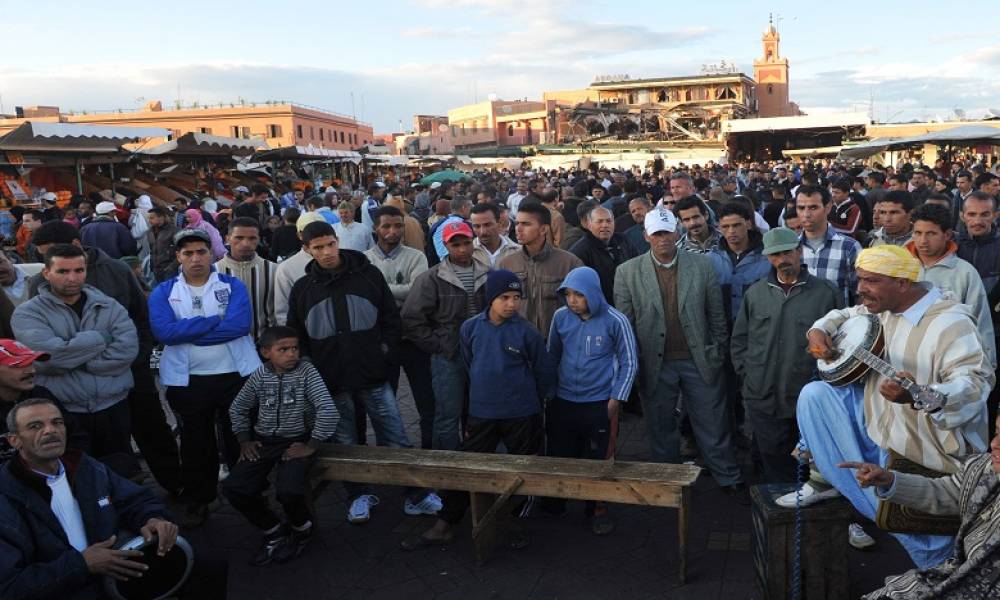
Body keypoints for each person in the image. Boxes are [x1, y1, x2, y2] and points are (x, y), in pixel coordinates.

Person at [783, 245, 993, 565]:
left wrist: (920, 395)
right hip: (882, 435)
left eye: (870, 281)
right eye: (859, 279)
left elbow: (974, 385)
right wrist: (818, 330)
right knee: (816, 395)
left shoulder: (952, 323)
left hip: (930, 454)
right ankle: (837, 481)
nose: (860, 289)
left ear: (903, 284)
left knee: (933, 546)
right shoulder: (880, 309)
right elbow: (844, 315)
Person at [286, 221, 438, 523]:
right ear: (307, 250)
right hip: (333, 380)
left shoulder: (368, 275)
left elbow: (391, 320)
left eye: (330, 244)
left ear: (337, 241)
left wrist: (384, 353)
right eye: (318, 247)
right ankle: (358, 493)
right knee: (346, 442)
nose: (327, 252)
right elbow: (297, 334)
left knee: (395, 434)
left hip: (373, 374)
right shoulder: (303, 289)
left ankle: (414, 493)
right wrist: (313, 368)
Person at [0, 398, 225, 599]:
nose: (50, 431)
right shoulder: (6, 494)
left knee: (210, 564)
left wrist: (153, 518)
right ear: (14, 440)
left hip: (115, 568)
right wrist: (82, 565)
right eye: (35, 426)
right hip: (65, 585)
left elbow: (135, 499)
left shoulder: (84, 466)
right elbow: (9, 587)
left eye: (57, 422)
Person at [400, 270, 555, 551]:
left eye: (516, 297)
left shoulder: (527, 332)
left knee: (522, 470)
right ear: (490, 299)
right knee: (467, 466)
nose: (511, 304)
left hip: (521, 413)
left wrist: (537, 404)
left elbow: (543, 371)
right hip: (482, 412)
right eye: (504, 297)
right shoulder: (470, 328)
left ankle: (514, 521)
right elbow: (471, 363)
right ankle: (446, 522)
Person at [28, 221, 182, 497]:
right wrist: (84, 357)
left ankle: (178, 489)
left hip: (131, 371)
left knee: (152, 431)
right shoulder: (39, 283)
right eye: (44, 257)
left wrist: (138, 355)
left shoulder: (116, 270)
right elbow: (49, 349)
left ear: (76, 245)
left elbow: (140, 316)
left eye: (49, 251)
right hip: (77, 386)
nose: (48, 260)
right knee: (98, 450)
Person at [614, 208, 746, 500]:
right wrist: (633, 364)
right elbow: (626, 322)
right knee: (660, 424)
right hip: (655, 362)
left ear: (677, 232)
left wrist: (716, 350)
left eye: (667, 232)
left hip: (698, 357)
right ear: (646, 235)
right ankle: (667, 478)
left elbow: (716, 316)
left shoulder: (701, 266)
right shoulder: (627, 272)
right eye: (656, 233)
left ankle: (726, 473)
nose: (663, 239)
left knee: (712, 420)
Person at [149, 228, 261, 527]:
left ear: (211, 253)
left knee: (239, 436)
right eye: (188, 253)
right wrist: (212, 322)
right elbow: (163, 333)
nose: (195, 258)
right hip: (188, 381)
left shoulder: (232, 285)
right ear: (178, 257)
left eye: (201, 251)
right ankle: (200, 497)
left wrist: (188, 331)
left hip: (234, 375)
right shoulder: (163, 292)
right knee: (196, 443)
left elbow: (239, 326)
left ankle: (249, 491)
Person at [12, 244, 138, 474]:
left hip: (113, 406)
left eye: (79, 270)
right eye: (63, 271)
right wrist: (101, 338)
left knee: (123, 473)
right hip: (65, 412)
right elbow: (52, 358)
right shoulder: (27, 313)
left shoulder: (109, 306)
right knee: (76, 476)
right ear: (46, 273)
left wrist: (77, 359)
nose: (72, 278)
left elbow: (127, 350)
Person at [730, 228, 842, 483]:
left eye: (787, 252)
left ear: (799, 251)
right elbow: (740, 340)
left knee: (812, 462)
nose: (782, 259)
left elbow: (841, 343)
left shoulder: (826, 293)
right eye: (775, 255)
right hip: (763, 393)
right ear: (768, 258)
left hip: (806, 394)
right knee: (773, 460)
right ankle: (781, 515)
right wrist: (748, 377)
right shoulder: (756, 294)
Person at [845, 417, 1000, 599]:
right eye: (997, 432)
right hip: (957, 578)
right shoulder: (984, 468)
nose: (994, 443)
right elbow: (952, 491)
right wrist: (890, 481)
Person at [223, 326, 338, 566]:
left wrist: (312, 444)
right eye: (283, 349)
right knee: (235, 487)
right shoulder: (259, 375)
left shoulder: (307, 372)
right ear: (266, 353)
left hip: (298, 441)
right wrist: (244, 440)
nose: (291, 354)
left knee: (288, 490)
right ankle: (273, 529)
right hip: (264, 441)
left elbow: (328, 410)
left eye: (295, 348)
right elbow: (238, 408)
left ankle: (301, 528)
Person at [545, 266, 637, 534]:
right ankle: (558, 500)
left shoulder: (615, 320)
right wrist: (550, 392)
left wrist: (615, 400)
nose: (573, 300)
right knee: (562, 452)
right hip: (564, 400)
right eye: (569, 294)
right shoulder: (560, 317)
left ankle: (597, 506)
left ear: (593, 293)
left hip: (599, 402)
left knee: (600, 456)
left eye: (579, 294)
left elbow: (629, 362)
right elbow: (552, 355)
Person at [402, 221, 488, 451]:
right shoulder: (432, 278)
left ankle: (477, 464)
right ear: (446, 246)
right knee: (447, 415)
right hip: (449, 355)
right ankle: (448, 474)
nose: (462, 249)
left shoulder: (487, 273)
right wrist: (438, 345)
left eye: (466, 243)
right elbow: (412, 318)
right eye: (456, 244)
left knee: (478, 413)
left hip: (481, 353)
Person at [364, 205, 435, 450]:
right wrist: (396, 292)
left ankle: (430, 451)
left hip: (415, 339)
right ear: (376, 229)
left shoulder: (417, 257)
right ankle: (389, 452)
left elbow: (419, 292)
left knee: (426, 400)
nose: (392, 231)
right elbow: (368, 297)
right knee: (385, 402)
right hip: (382, 341)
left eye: (397, 226)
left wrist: (382, 289)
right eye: (386, 226)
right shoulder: (365, 260)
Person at [907, 202, 996, 367]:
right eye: (917, 233)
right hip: (904, 355)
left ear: (947, 234)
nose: (923, 241)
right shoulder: (899, 267)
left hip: (949, 357)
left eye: (931, 233)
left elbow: (981, 321)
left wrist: (986, 368)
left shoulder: (964, 272)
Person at [498, 203, 582, 340]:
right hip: (519, 343)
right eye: (517, 223)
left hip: (558, 342)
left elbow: (583, 308)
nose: (518, 229)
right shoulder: (507, 264)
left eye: (526, 224)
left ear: (543, 229)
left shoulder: (569, 263)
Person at [796, 184, 861, 306]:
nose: (806, 214)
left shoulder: (849, 247)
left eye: (813, 208)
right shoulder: (790, 248)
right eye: (801, 208)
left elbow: (860, 294)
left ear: (828, 207)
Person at [215, 217, 277, 340]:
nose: (246, 243)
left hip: (265, 345)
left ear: (258, 239)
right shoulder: (213, 272)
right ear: (227, 239)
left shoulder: (274, 270)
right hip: (226, 345)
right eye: (239, 238)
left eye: (252, 238)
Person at [568, 205, 636, 305]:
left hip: (629, 301)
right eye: (599, 221)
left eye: (609, 221)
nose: (605, 225)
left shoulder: (623, 240)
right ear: (589, 225)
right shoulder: (580, 251)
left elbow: (637, 265)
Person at [273, 212, 326, 325]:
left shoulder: (343, 260)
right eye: (310, 232)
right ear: (299, 235)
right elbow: (282, 313)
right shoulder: (286, 268)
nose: (316, 236)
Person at [470, 203, 519, 267]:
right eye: (477, 226)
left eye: (487, 225)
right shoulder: (468, 253)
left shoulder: (518, 251)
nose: (483, 232)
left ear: (499, 223)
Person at [146, 207, 178, 283]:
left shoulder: (173, 231)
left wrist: (171, 267)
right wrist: (152, 265)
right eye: (149, 218)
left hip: (169, 269)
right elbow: (152, 250)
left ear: (161, 217)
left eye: (152, 218)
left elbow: (181, 250)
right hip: (156, 269)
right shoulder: (150, 231)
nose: (149, 221)